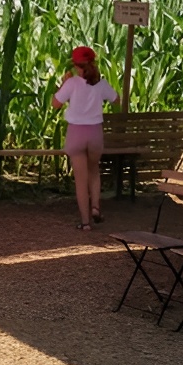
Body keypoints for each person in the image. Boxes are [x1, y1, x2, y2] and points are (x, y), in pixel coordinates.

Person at [51, 45, 120, 230]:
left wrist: (63, 84)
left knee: (80, 180)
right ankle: (96, 207)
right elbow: (117, 100)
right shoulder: (102, 84)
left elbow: (55, 103)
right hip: (95, 133)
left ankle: (85, 222)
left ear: (75, 65)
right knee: (94, 172)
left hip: (76, 134)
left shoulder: (71, 83)